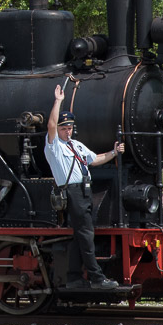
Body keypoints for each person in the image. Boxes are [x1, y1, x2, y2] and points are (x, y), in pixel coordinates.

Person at [46, 82, 123, 290]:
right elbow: (51, 125)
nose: (67, 131)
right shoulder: (54, 146)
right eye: (64, 128)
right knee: (86, 234)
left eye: (69, 127)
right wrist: (58, 101)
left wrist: (114, 152)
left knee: (78, 236)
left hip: (85, 192)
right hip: (72, 193)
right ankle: (97, 278)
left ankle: (73, 277)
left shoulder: (76, 145)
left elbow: (94, 159)